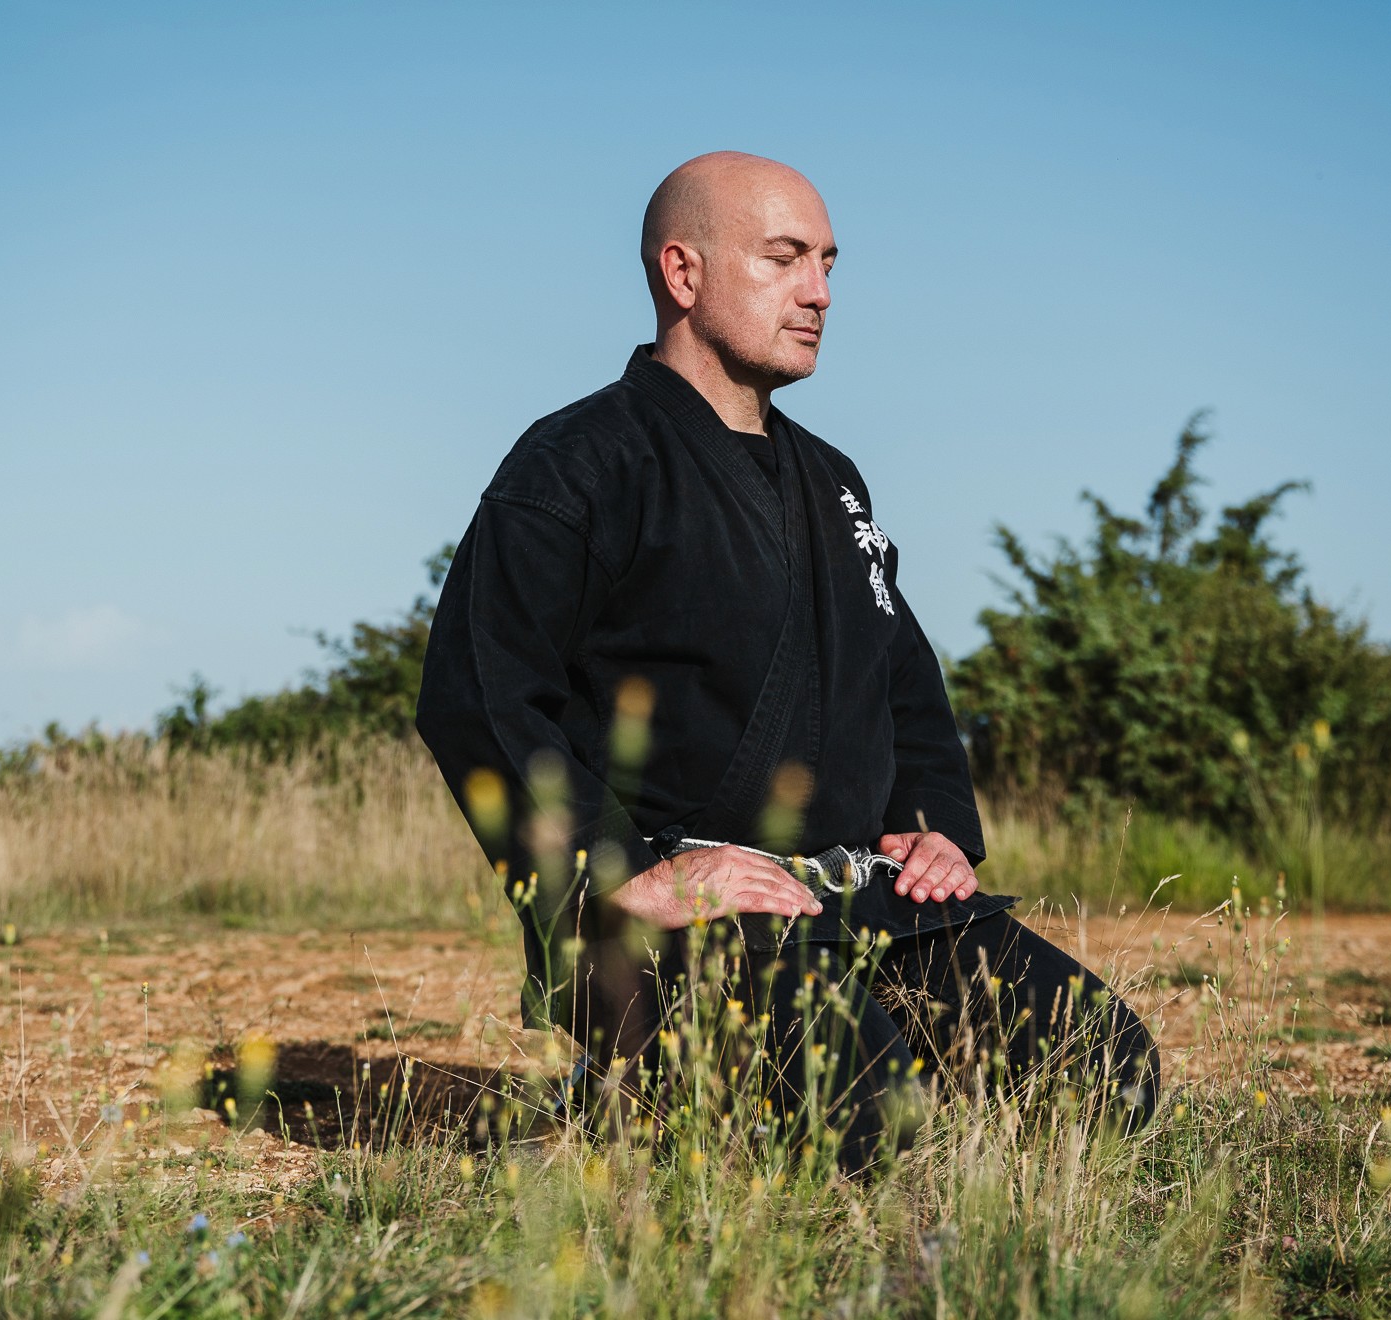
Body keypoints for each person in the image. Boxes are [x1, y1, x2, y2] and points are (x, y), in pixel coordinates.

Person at [415, 151, 1157, 1172]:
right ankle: (633, 1082)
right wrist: (624, 873)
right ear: (684, 274)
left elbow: (901, 675)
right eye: (784, 259)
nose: (819, 292)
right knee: (870, 1132)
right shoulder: (579, 461)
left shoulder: (832, 480)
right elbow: (480, 692)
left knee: (1111, 1075)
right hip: (690, 922)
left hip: (864, 903)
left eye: (828, 263)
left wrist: (932, 828)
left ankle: (848, 1044)